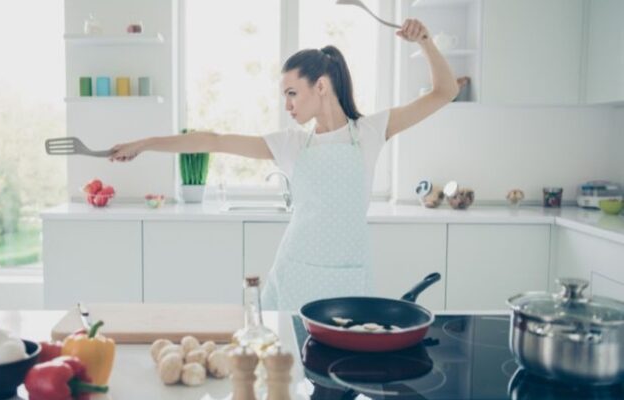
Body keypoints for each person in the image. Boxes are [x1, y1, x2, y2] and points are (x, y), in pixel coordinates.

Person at [109, 19, 458, 311]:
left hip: (350, 280)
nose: (287, 105)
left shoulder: (370, 132)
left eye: (292, 93)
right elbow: (211, 140)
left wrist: (425, 41)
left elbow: (445, 91)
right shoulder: (290, 144)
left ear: (320, 86)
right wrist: (146, 144)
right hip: (294, 276)